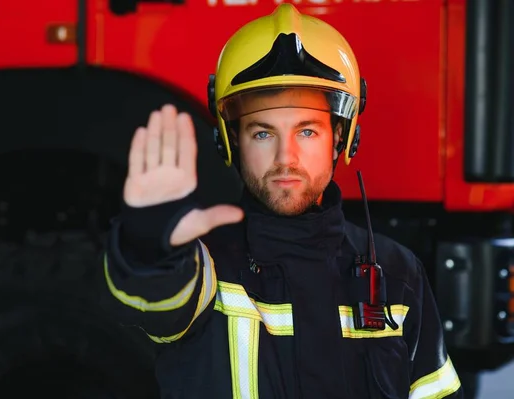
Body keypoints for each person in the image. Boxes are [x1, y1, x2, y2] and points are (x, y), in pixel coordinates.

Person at [103, 3, 463, 398]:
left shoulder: (398, 274)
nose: (285, 157)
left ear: (341, 138)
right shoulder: (205, 268)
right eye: (262, 133)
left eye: (307, 132)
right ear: (230, 141)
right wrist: (151, 244)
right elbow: (158, 298)